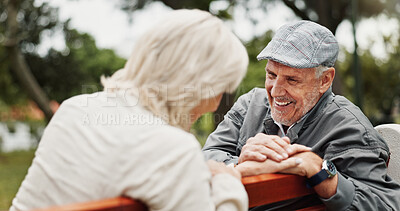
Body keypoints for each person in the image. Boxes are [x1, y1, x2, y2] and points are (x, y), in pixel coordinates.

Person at [10, 9, 285, 211]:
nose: (216, 103)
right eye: (221, 89)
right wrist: (229, 183)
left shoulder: (73, 108)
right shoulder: (173, 148)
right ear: (200, 85)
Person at [202, 20, 400, 210]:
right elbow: (205, 157)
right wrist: (240, 164)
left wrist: (319, 169)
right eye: (271, 75)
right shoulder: (250, 104)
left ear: (325, 80)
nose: (275, 90)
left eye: (292, 80)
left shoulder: (349, 128)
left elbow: (385, 204)